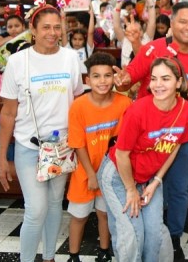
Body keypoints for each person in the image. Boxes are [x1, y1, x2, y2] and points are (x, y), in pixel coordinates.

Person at [116, 2, 188, 253]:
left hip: (184, 133)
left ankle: (173, 237)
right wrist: (121, 80)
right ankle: (152, 232)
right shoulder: (153, 49)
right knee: (148, 185)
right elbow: (128, 78)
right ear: (171, 23)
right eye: (182, 21)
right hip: (147, 134)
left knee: (181, 188)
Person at [0, 4, 84, 262]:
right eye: (45, 27)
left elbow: (78, 102)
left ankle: (49, 257)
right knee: (36, 210)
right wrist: (2, 158)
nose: (52, 33)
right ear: (32, 30)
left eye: (57, 27)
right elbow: (8, 114)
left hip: (62, 147)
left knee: (55, 204)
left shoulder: (70, 58)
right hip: (29, 147)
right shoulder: (17, 62)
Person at [99, 58, 188, 262]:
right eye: (154, 79)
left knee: (154, 234)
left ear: (179, 82)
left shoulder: (186, 110)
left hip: (149, 178)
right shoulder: (137, 111)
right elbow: (121, 154)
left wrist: (157, 180)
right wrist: (130, 189)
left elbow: (175, 144)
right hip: (119, 176)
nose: (158, 84)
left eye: (165, 79)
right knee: (133, 235)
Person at [66, 52, 131, 262]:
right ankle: (73, 255)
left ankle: (104, 252)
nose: (102, 81)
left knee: (105, 213)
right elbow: (78, 144)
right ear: (87, 80)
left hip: (111, 172)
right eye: (96, 76)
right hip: (85, 172)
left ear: (114, 78)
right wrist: (92, 174)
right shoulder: (79, 106)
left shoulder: (124, 103)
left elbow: (124, 141)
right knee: (79, 216)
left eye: (107, 75)